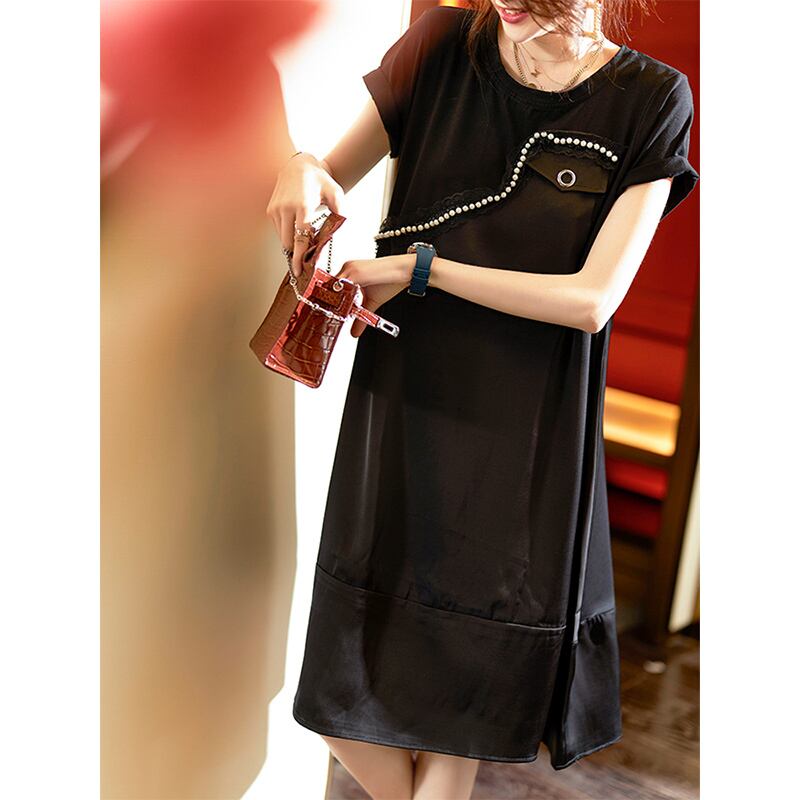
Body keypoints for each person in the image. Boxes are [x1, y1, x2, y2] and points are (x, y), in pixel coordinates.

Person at [267, 1, 699, 798]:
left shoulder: (650, 96)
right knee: (338, 688)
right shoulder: (439, 47)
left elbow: (592, 300)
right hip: (404, 397)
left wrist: (420, 270)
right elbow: (330, 176)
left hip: (526, 422)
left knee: (462, 690)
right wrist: (300, 163)